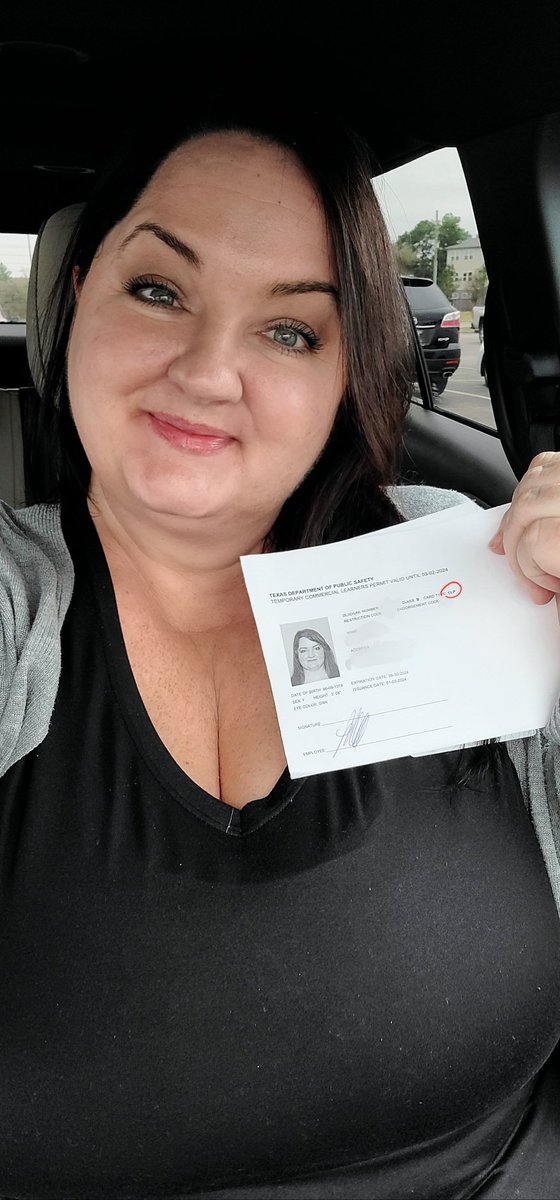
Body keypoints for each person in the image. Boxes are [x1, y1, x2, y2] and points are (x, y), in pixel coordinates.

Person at [2, 102, 560, 1200]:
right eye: (158, 290)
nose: (209, 371)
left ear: (347, 372)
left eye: (290, 331)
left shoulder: (461, 562)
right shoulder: (19, 604)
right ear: (75, 301)